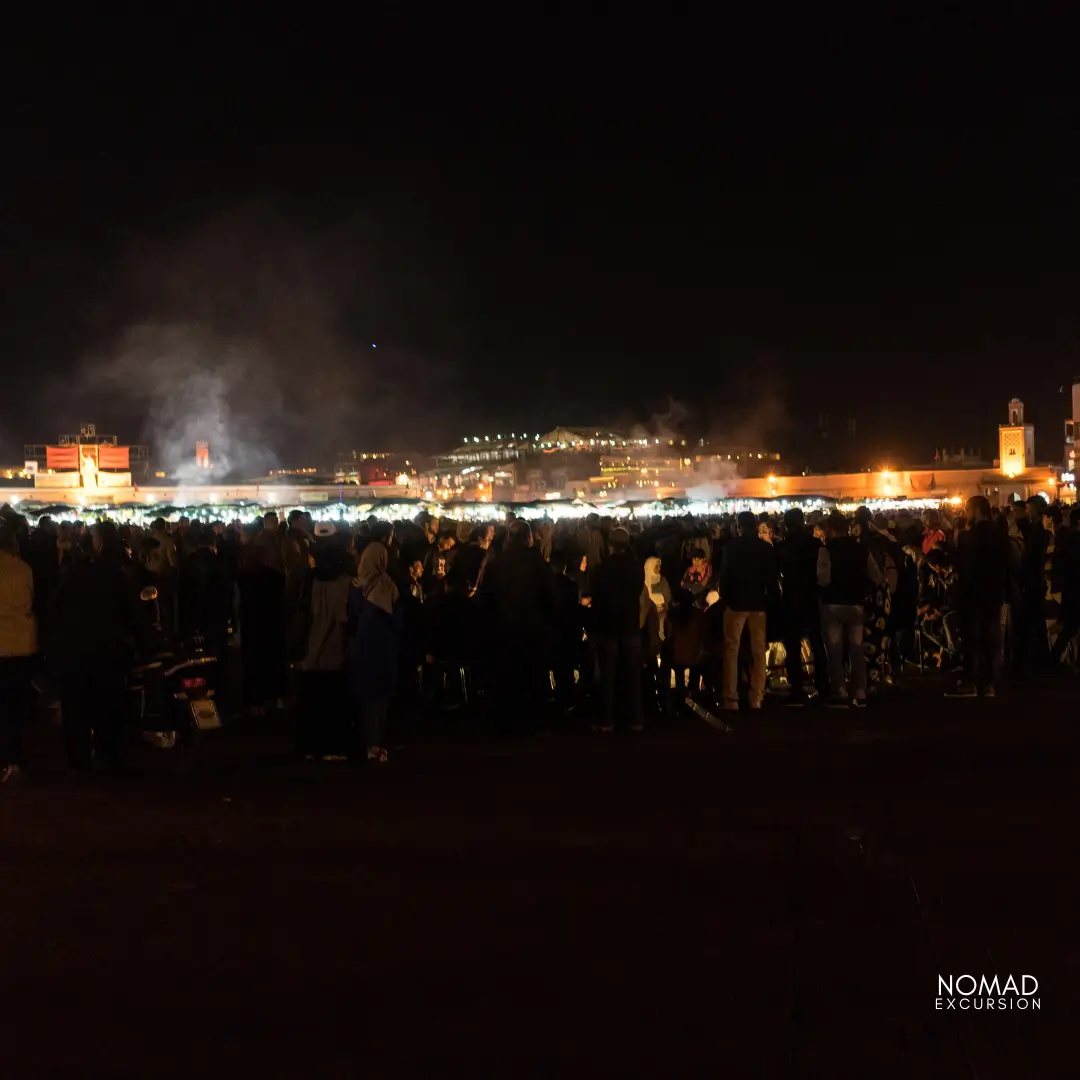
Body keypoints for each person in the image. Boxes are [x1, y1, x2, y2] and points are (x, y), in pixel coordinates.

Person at [52, 521, 140, 775]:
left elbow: (56, 613)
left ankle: (79, 760)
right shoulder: (119, 576)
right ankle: (108, 754)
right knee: (108, 706)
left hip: (76, 652)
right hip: (107, 651)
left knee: (76, 709)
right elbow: (134, 617)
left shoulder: (74, 576)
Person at [482, 519, 555, 734]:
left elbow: (486, 600)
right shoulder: (539, 564)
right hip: (533, 629)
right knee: (534, 677)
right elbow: (551, 598)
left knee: (507, 678)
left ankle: (507, 723)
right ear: (529, 537)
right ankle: (535, 723)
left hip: (504, 629)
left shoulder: (497, 564)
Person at [817, 511, 882, 708]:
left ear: (831, 529)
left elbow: (824, 579)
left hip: (833, 603)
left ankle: (840, 691)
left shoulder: (826, 550)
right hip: (856, 603)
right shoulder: (861, 549)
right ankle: (860, 691)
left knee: (835, 650)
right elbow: (876, 576)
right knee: (856, 649)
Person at [296, 534, 352, 757]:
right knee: (334, 705)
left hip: (309, 652)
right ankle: (333, 747)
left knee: (311, 704)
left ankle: (310, 747)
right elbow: (344, 619)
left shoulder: (308, 581)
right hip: (334, 653)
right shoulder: (345, 584)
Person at [947, 495, 1009, 697]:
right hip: (994, 592)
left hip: (973, 594)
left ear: (976, 511)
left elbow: (965, 567)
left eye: (967, 509)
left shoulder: (969, 536)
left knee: (971, 640)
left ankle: (970, 683)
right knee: (990, 641)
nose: (965, 513)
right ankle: (989, 683)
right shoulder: (999, 534)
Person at [348, 541, 403, 763]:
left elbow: (351, 619)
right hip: (385, 646)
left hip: (362, 646)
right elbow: (399, 621)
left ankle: (370, 743)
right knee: (381, 697)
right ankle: (377, 742)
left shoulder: (355, 587)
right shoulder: (389, 587)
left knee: (367, 695)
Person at [719, 511, 776, 711]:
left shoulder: (731, 548)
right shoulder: (765, 548)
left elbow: (724, 577)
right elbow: (771, 578)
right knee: (759, 652)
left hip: (735, 604)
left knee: (731, 651)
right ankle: (756, 697)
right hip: (758, 604)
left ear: (739, 526)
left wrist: (725, 599)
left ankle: (730, 697)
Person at [588, 527, 644, 732]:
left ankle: (606, 720)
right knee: (632, 675)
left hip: (607, 625)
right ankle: (635, 719)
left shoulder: (600, 570)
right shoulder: (637, 568)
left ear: (609, 544)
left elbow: (596, 596)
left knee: (607, 675)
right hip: (629, 623)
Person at [775, 507, 829, 705]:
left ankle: (796, 687)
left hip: (791, 599)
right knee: (816, 643)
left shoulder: (782, 547)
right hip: (811, 596)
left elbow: (776, 575)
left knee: (793, 645)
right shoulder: (815, 545)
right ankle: (823, 684)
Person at [0, 525, 37, 784]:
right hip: (22, 642)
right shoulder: (23, 568)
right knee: (15, 704)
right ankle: (15, 757)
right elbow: (30, 600)